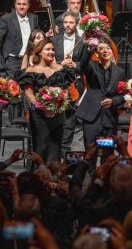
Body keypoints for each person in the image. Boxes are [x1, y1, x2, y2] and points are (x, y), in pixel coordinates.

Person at [18, 40, 75, 163]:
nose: (51, 52)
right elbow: (29, 95)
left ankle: (53, 177)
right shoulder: (31, 71)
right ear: (39, 52)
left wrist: (57, 107)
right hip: (39, 117)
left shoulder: (61, 70)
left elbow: (64, 92)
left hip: (57, 115)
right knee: (40, 148)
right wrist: (42, 107)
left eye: (53, 49)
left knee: (55, 148)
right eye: (48, 49)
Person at [76, 38, 125, 149]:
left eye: (108, 48)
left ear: (111, 52)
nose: (105, 51)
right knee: (90, 153)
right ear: (97, 54)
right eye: (101, 49)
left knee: (107, 154)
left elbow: (124, 95)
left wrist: (113, 101)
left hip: (109, 119)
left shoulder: (120, 72)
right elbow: (83, 64)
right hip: (91, 119)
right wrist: (89, 49)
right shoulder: (91, 67)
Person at [51, 11, 84, 157]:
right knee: (57, 116)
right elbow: (48, 61)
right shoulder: (54, 40)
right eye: (66, 22)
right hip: (58, 82)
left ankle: (65, 150)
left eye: (71, 22)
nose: (68, 25)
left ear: (76, 24)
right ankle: (55, 150)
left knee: (71, 119)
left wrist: (75, 64)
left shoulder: (82, 41)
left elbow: (86, 63)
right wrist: (60, 63)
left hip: (75, 83)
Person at [0, 0, 39, 78]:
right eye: (19, 4)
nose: (21, 7)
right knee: (13, 89)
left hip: (29, 60)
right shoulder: (6, 19)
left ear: (28, 5)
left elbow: (37, 36)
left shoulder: (34, 18)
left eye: (24, 4)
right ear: (15, 5)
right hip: (12, 62)